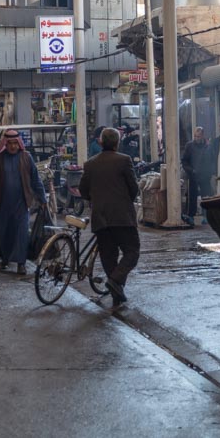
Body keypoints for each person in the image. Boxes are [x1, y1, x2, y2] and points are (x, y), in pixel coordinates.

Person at [79, 127, 141, 308]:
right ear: (117, 143)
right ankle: (115, 281)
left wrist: (96, 200)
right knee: (132, 251)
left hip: (101, 217)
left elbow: (83, 190)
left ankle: (116, 294)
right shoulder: (124, 160)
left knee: (108, 256)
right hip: (122, 216)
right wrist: (125, 201)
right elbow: (134, 188)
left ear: (100, 142)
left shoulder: (90, 164)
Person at [0, 129, 46, 275]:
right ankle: (5, 258)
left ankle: (21, 263)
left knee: (21, 232)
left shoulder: (26, 157)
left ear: (19, 143)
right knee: (5, 232)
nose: (13, 146)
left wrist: (42, 198)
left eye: (15, 143)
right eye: (10, 143)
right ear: (5, 144)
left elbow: (36, 180)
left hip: (21, 203)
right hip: (2, 203)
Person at [180, 126, 214, 226]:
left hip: (205, 175)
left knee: (206, 196)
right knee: (192, 196)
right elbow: (184, 161)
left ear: (203, 136)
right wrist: (191, 170)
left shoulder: (208, 146)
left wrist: (210, 172)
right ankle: (190, 216)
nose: (196, 138)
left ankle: (206, 216)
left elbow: (212, 160)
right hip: (193, 175)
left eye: (198, 136)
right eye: (195, 136)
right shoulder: (189, 146)